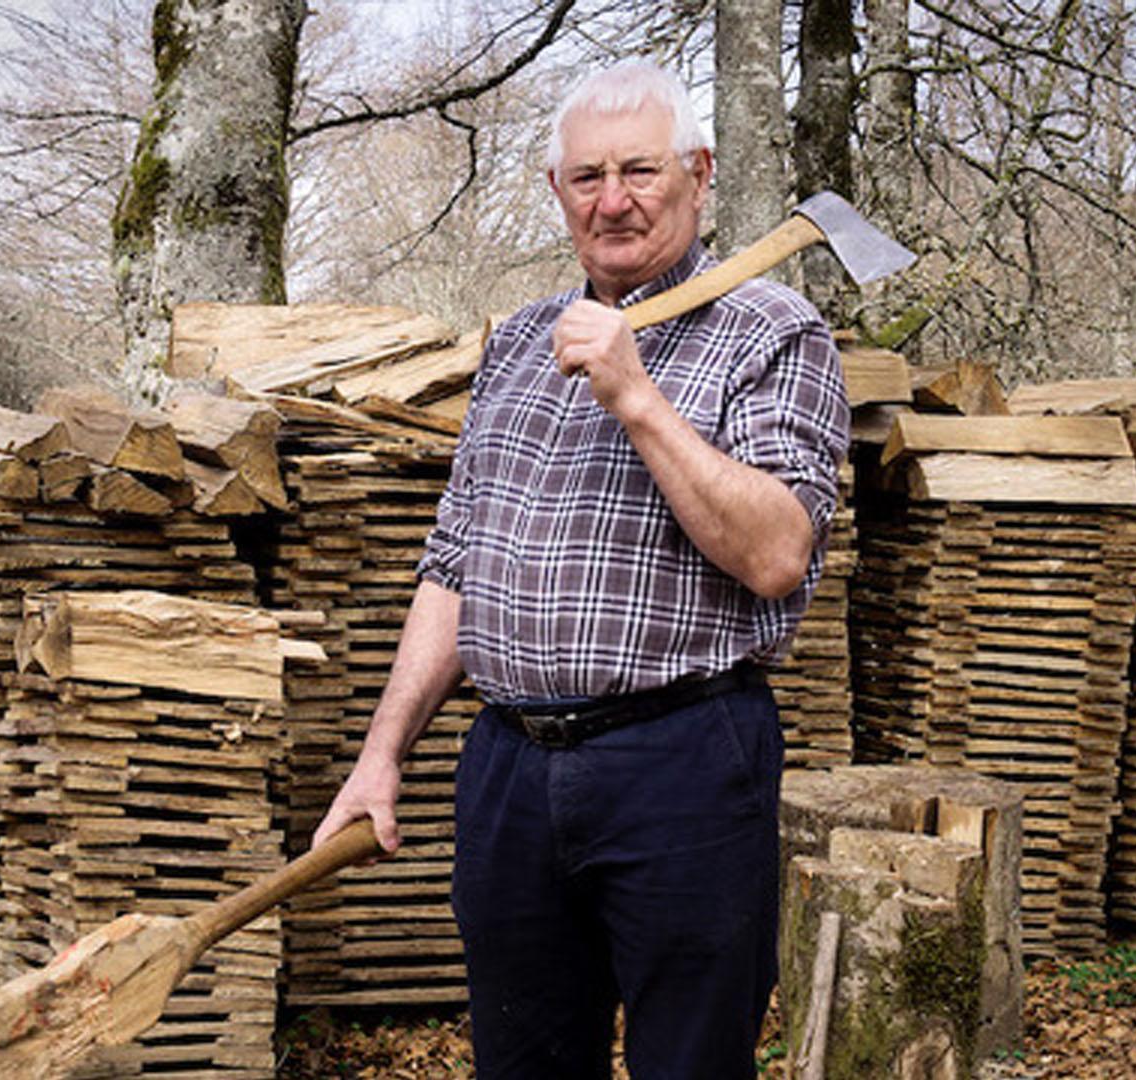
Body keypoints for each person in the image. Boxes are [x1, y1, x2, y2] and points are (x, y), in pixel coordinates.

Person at [311, 60, 849, 1078]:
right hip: (508, 768)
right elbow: (451, 566)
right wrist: (382, 754)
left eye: (641, 170)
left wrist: (637, 395)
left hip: (683, 762)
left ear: (699, 173)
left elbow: (779, 554)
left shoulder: (774, 334)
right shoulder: (517, 344)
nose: (614, 200)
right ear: (556, 192)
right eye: (587, 176)